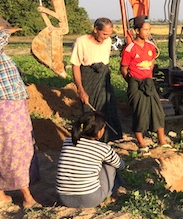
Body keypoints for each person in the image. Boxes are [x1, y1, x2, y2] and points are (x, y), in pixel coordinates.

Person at [0, 11, 39, 209]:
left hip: (7, 107)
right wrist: (4, 31)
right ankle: (27, 197)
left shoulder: (1, 56)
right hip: (5, 109)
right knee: (16, 150)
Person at [120, 15, 169, 154]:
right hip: (135, 84)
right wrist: (132, 82)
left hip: (148, 83)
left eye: (149, 30)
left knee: (157, 111)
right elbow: (123, 69)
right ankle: (141, 144)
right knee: (139, 113)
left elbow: (151, 63)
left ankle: (161, 141)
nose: (147, 32)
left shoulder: (151, 47)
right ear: (137, 31)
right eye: (145, 30)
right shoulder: (130, 49)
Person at [57, 111, 126, 208]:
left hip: (64, 198)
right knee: (110, 165)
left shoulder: (68, 141)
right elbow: (121, 165)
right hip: (89, 199)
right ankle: (108, 196)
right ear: (98, 132)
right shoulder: (103, 148)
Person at [70, 18, 122, 143]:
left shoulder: (108, 41)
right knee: (91, 113)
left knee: (107, 108)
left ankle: (106, 140)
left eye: (108, 34)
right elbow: (76, 66)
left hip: (103, 80)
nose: (106, 37)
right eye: (104, 34)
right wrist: (81, 90)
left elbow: (105, 63)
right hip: (89, 79)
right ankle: (90, 141)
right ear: (95, 29)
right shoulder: (81, 42)